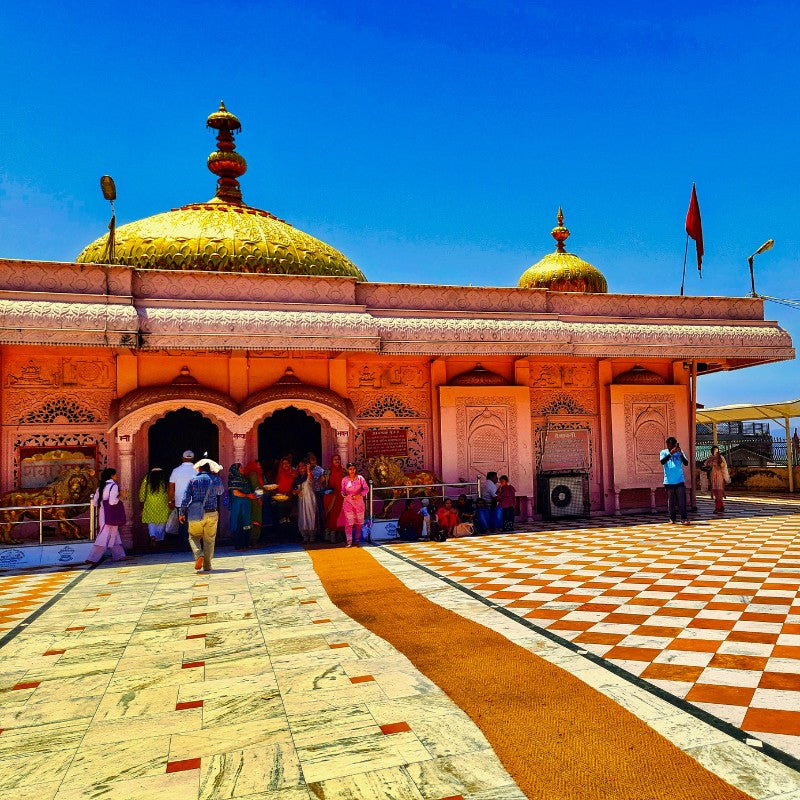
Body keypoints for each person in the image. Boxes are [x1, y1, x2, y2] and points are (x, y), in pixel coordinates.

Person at [179, 461, 225, 572]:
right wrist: (216, 476)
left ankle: (199, 554)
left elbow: (186, 497)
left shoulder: (193, 480)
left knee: (193, 536)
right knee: (209, 540)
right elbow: (221, 492)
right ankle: (207, 565)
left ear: (199, 468)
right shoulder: (215, 479)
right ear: (210, 469)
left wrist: (182, 513)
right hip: (212, 513)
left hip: (196, 514)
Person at [86, 467, 127, 564]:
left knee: (114, 534)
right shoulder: (114, 486)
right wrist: (120, 497)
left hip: (103, 513)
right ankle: (92, 558)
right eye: (115, 474)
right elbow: (112, 502)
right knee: (104, 535)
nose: (117, 476)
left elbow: (95, 503)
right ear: (112, 476)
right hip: (111, 513)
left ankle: (119, 555)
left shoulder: (100, 487)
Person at [169, 450, 197, 549]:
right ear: (193, 458)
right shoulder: (197, 470)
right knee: (194, 523)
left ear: (182, 458)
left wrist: (170, 500)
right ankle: (194, 545)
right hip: (194, 501)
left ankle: (183, 545)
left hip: (180, 501)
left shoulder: (176, 470)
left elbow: (171, 487)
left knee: (182, 524)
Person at [660, 436, 690, 525]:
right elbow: (662, 462)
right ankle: (672, 519)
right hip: (668, 481)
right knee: (671, 501)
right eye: (668, 446)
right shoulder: (663, 452)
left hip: (679, 480)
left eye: (672, 446)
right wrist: (670, 454)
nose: (670, 448)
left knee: (681, 501)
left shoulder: (680, 452)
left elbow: (686, 463)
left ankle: (684, 518)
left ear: (675, 445)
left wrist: (680, 453)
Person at [341, 462, 369, 547]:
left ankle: (357, 540)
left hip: (359, 503)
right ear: (347, 470)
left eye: (353, 469)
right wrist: (343, 493)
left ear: (355, 469)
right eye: (350, 469)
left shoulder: (360, 478)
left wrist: (359, 495)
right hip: (348, 503)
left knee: (359, 523)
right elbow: (342, 490)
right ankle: (349, 541)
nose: (352, 471)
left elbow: (366, 489)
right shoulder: (345, 480)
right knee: (349, 523)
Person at [229, 463, 256, 549]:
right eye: (240, 468)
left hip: (245, 504)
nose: (243, 469)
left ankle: (246, 544)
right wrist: (248, 496)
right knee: (239, 524)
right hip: (238, 505)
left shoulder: (243, 478)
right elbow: (235, 492)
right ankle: (239, 545)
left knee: (246, 523)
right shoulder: (235, 479)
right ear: (236, 470)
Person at [139, 467, 170, 545]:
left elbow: (142, 491)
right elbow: (170, 491)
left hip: (150, 502)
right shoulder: (164, 479)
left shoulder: (147, 479)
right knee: (162, 521)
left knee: (151, 521)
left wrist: (142, 500)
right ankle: (159, 539)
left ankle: (152, 536)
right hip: (163, 502)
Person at [324, 453, 345, 542]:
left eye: (338, 459)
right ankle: (331, 535)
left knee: (341, 515)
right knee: (331, 515)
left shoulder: (344, 471)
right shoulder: (328, 471)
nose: (337, 461)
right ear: (332, 461)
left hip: (341, 497)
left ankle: (339, 535)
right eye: (335, 459)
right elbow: (323, 484)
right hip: (331, 497)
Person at [703, 446, 730, 514]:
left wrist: (719, 460)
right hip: (713, 477)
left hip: (719, 477)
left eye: (716, 451)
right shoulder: (710, 458)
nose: (715, 453)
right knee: (715, 492)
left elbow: (723, 466)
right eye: (713, 451)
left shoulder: (721, 458)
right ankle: (721, 506)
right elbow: (706, 464)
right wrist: (710, 460)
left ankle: (717, 507)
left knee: (719, 492)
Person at [297, 462, 318, 543]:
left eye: (303, 466)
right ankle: (305, 536)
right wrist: (296, 491)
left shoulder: (309, 475)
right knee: (303, 517)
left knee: (310, 515)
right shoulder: (298, 478)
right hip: (302, 500)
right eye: (300, 466)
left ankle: (312, 536)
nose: (301, 467)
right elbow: (294, 490)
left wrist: (309, 470)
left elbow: (310, 479)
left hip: (309, 499)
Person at [307, 453, 326, 535]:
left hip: (317, 493)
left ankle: (321, 531)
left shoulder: (320, 470)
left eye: (313, 460)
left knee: (319, 511)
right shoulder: (306, 470)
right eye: (310, 460)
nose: (312, 462)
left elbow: (323, 480)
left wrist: (320, 481)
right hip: (308, 494)